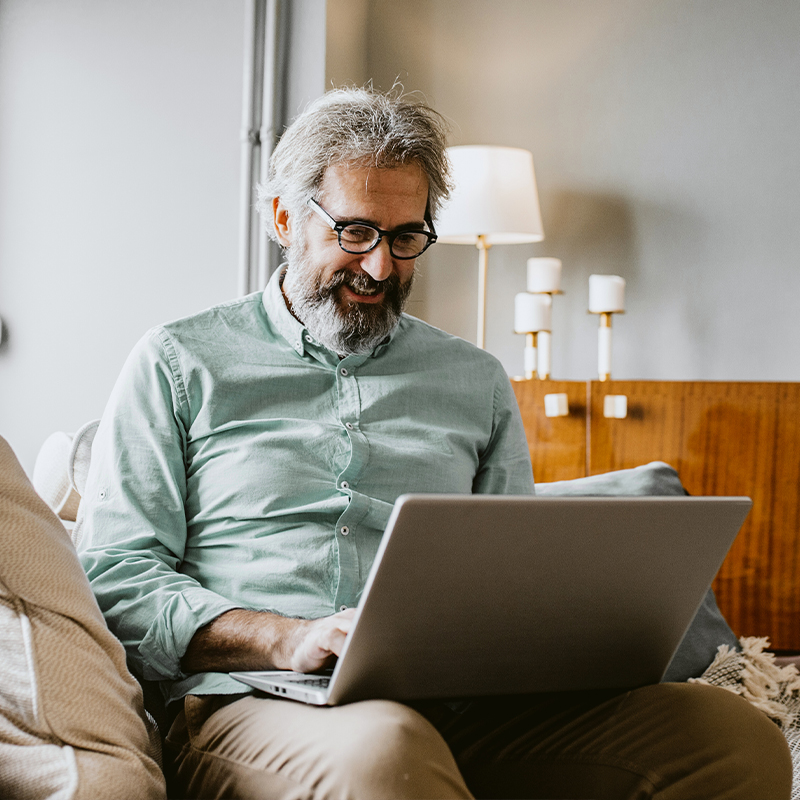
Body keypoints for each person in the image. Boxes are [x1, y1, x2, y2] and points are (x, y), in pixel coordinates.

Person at [78, 86, 792, 799]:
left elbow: (519, 568)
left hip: (466, 709)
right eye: (354, 232)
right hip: (258, 703)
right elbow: (117, 579)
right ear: (284, 218)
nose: (381, 268)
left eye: (405, 237)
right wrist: (285, 637)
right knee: (387, 751)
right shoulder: (178, 360)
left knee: (729, 737)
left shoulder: (473, 379)